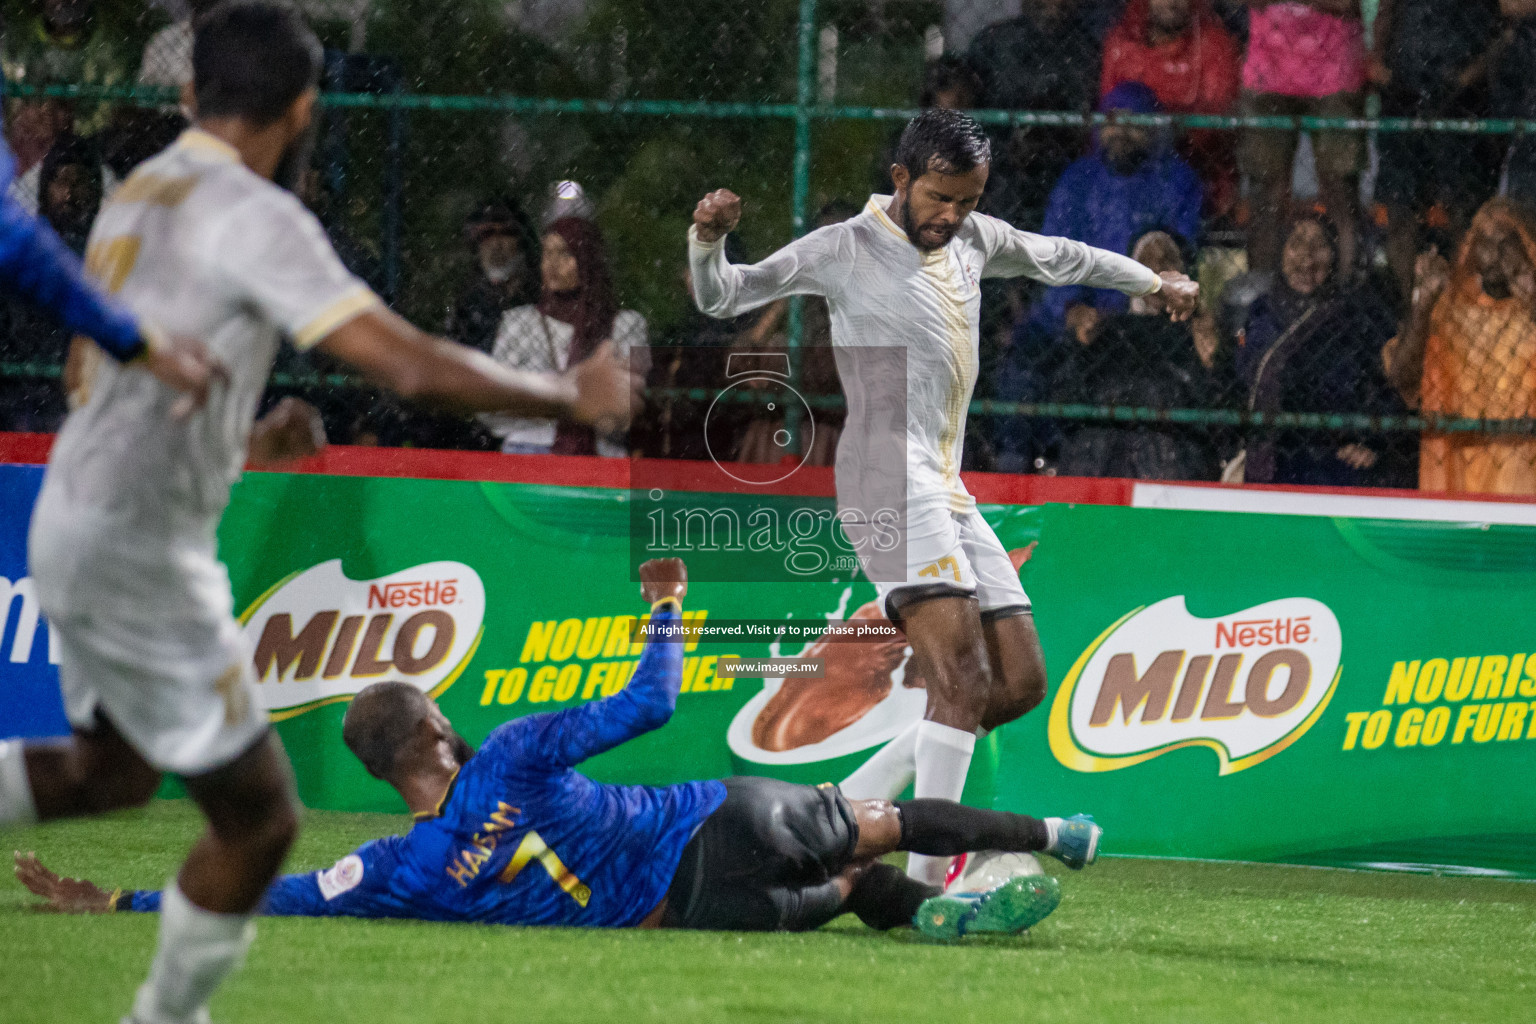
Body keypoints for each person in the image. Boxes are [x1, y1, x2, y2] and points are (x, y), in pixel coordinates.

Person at [0, 9, 639, 1024]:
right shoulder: (256, 216)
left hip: (85, 509)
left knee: (108, 770)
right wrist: (570, 397)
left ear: (184, 94)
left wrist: (240, 439)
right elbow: (408, 363)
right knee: (259, 818)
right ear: (304, 108)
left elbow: (101, 371)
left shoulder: (139, 195)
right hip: (135, 543)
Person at [14, 559, 1101, 943]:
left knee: (855, 889)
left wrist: (115, 906)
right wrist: (668, 604)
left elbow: (271, 893)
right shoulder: (516, 753)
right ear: (438, 729)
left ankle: (936, 921)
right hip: (718, 820)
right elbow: (652, 698)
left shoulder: (400, 874)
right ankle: (1058, 833)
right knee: (881, 824)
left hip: (707, 912)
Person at [688, 108, 1199, 884]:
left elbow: (1056, 257)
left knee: (1018, 682)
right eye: (940, 198)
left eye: (968, 200)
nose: (953, 217)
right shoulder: (845, 248)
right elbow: (724, 296)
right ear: (900, 180)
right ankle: (925, 884)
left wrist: (1150, 281)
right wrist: (707, 238)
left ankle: (857, 798)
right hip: (884, 480)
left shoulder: (973, 238)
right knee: (959, 683)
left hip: (945, 485)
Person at [1231, 212, 1411, 487]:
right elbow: (1236, 384)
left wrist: (1369, 442)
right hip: (1274, 456)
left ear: (1335, 258)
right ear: (1281, 253)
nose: (1307, 256)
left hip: (1339, 460)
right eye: (1297, 242)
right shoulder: (1259, 314)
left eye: (1320, 245)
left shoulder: (1358, 317)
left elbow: (1387, 389)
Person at [1029, 82, 1203, 345]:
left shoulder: (1177, 180)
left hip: (1152, 320)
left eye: (1132, 123)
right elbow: (1055, 253)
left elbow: (1182, 248)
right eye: (1111, 122)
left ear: (1153, 129)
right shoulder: (1078, 180)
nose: (1120, 132)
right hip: (1080, 318)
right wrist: (1072, 307)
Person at [1384, 197, 1536, 495]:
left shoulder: (1528, 311)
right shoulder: (1449, 308)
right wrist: (1423, 304)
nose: (1494, 253)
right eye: (1484, 240)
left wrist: (1530, 290)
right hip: (1456, 475)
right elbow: (1403, 378)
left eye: (1507, 241)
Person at [1047, 230, 1226, 481]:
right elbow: (1064, 405)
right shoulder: (1105, 331)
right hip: (1103, 464)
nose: (1157, 268)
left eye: (1168, 259)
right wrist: (1076, 345)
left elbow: (1218, 419)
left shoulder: (1196, 334)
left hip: (1169, 465)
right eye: (1146, 260)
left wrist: (1211, 363)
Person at [1370, 0, 1503, 302]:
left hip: (1464, 94)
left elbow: (1505, 23)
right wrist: (1379, 63)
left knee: (1465, 211)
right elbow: (1386, 10)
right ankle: (1410, 307)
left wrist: (1473, 73)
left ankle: (1465, 305)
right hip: (1405, 90)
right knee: (1400, 207)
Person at [486, 215, 648, 456]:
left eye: (565, 254)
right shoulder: (518, 322)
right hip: (526, 451)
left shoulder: (626, 325)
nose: (552, 264)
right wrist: (579, 401)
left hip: (601, 455)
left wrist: (537, 400)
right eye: (547, 253)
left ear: (588, 260)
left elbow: (625, 414)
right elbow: (491, 408)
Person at [1239, 0, 1368, 279]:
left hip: (1335, 70)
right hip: (1268, 73)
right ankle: (1263, 302)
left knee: (1341, 194)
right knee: (1266, 194)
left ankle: (1347, 295)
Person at [965, 0, 1106, 230]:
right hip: (1000, 165)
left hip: (1063, 165)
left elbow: (1086, 125)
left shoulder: (1086, 48)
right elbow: (970, 115)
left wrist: (1054, 140)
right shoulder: (993, 43)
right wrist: (1005, 147)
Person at [0, 132, 107, 431]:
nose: (71, 194)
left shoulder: (105, 249)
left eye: (80, 181)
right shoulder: (27, 249)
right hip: (23, 394)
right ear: (47, 187)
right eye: (62, 181)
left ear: (95, 188)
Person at [1099, 0, 1242, 218]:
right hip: (1127, 157)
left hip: (1195, 163)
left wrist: (1161, 133)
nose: (1172, 2)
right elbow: (1109, 109)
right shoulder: (1121, 43)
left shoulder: (1213, 45)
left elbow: (1216, 117)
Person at [444, 198, 540, 355]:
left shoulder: (538, 293)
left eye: (506, 232)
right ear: (477, 243)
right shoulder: (465, 302)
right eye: (487, 233)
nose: (496, 244)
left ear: (521, 241)